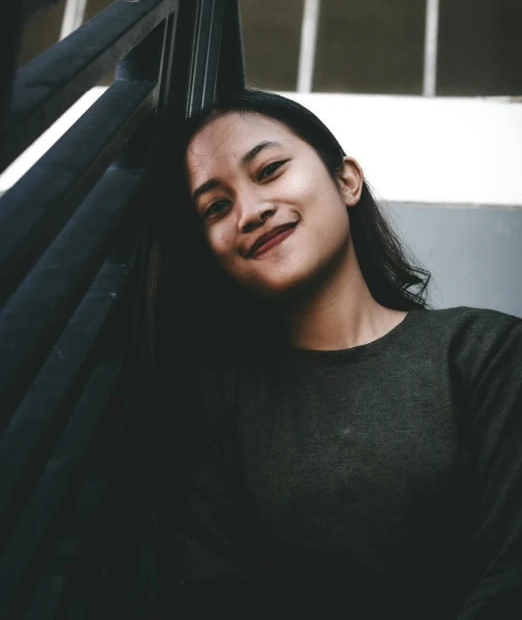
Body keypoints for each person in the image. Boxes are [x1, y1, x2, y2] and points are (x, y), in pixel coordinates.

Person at [151, 89, 522, 618]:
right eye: (216, 206)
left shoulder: (485, 353)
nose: (250, 212)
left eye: (270, 169)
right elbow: (214, 592)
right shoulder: (216, 403)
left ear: (347, 179)